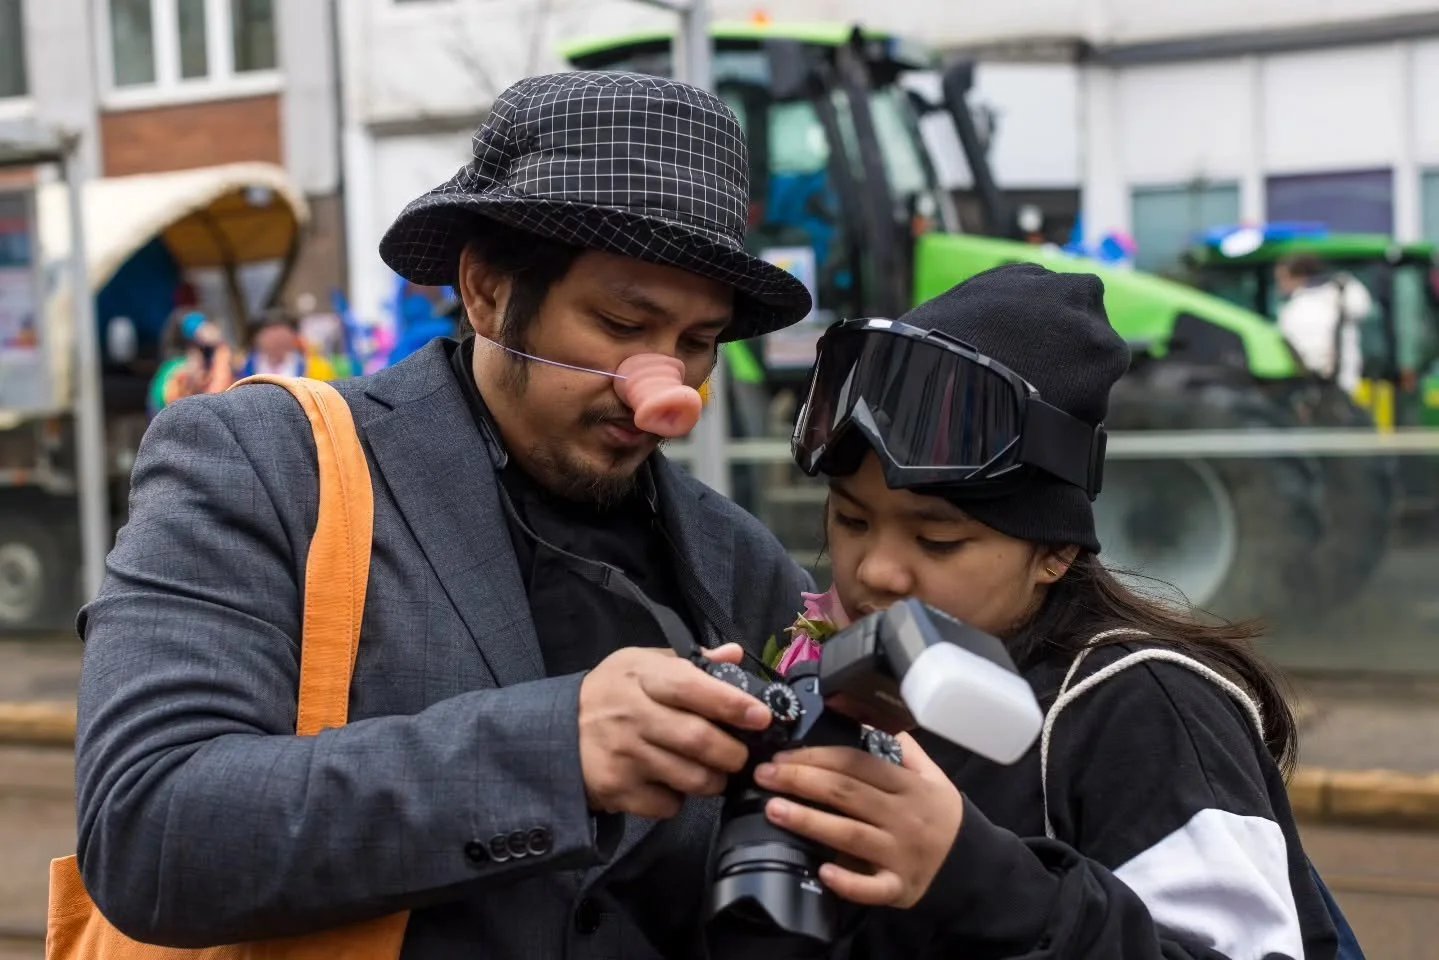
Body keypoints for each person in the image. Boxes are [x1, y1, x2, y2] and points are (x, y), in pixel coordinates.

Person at [74, 72, 815, 958]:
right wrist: (554, 750)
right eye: (622, 322)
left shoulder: (744, 563)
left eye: (697, 344)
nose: (664, 389)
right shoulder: (262, 461)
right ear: (487, 291)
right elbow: (149, 833)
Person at [757, 263, 1342, 958]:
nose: (874, 571)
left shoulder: (1137, 709)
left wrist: (981, 880)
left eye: (937, 540)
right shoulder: (845, 677)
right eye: (851, 521)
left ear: (1055, 553)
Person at [1275, 252, 1373, 394]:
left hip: (1322, 386)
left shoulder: (1296, 309)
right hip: (1342, 384)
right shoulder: (1341, 292)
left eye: (1282, 279)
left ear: (1300, 276)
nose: (1280, 286)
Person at [239, 305, 339, 380]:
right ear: (256, 339)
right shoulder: (240, 370)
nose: (276, 341)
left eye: (282, 335)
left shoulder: (318, 368)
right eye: (270, 335)